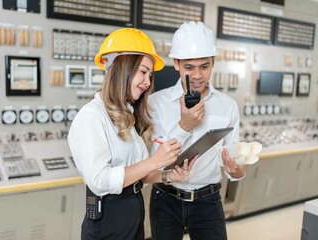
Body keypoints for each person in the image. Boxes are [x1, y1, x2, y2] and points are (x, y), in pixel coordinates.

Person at [67, 27, 196, 240]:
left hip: (133, 210)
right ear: (120, 67)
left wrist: (167, 175)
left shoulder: (128, 115)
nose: (147, 82)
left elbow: (139, 175)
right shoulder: (91, 116)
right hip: (109, 216)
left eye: (150, 75)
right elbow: (99, 180)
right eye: (143, 72)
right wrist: (155, 161)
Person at [149, 21, 246, 240]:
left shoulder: (227, 106)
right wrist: (185, 126)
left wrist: (237, 171)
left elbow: (233, 165)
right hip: (165, 199)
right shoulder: (156, 103)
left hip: (208, 201)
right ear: (176, 64)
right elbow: (154, 161)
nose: (197, 75)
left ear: (213, 63)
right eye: (189, 67)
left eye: (204, 66)